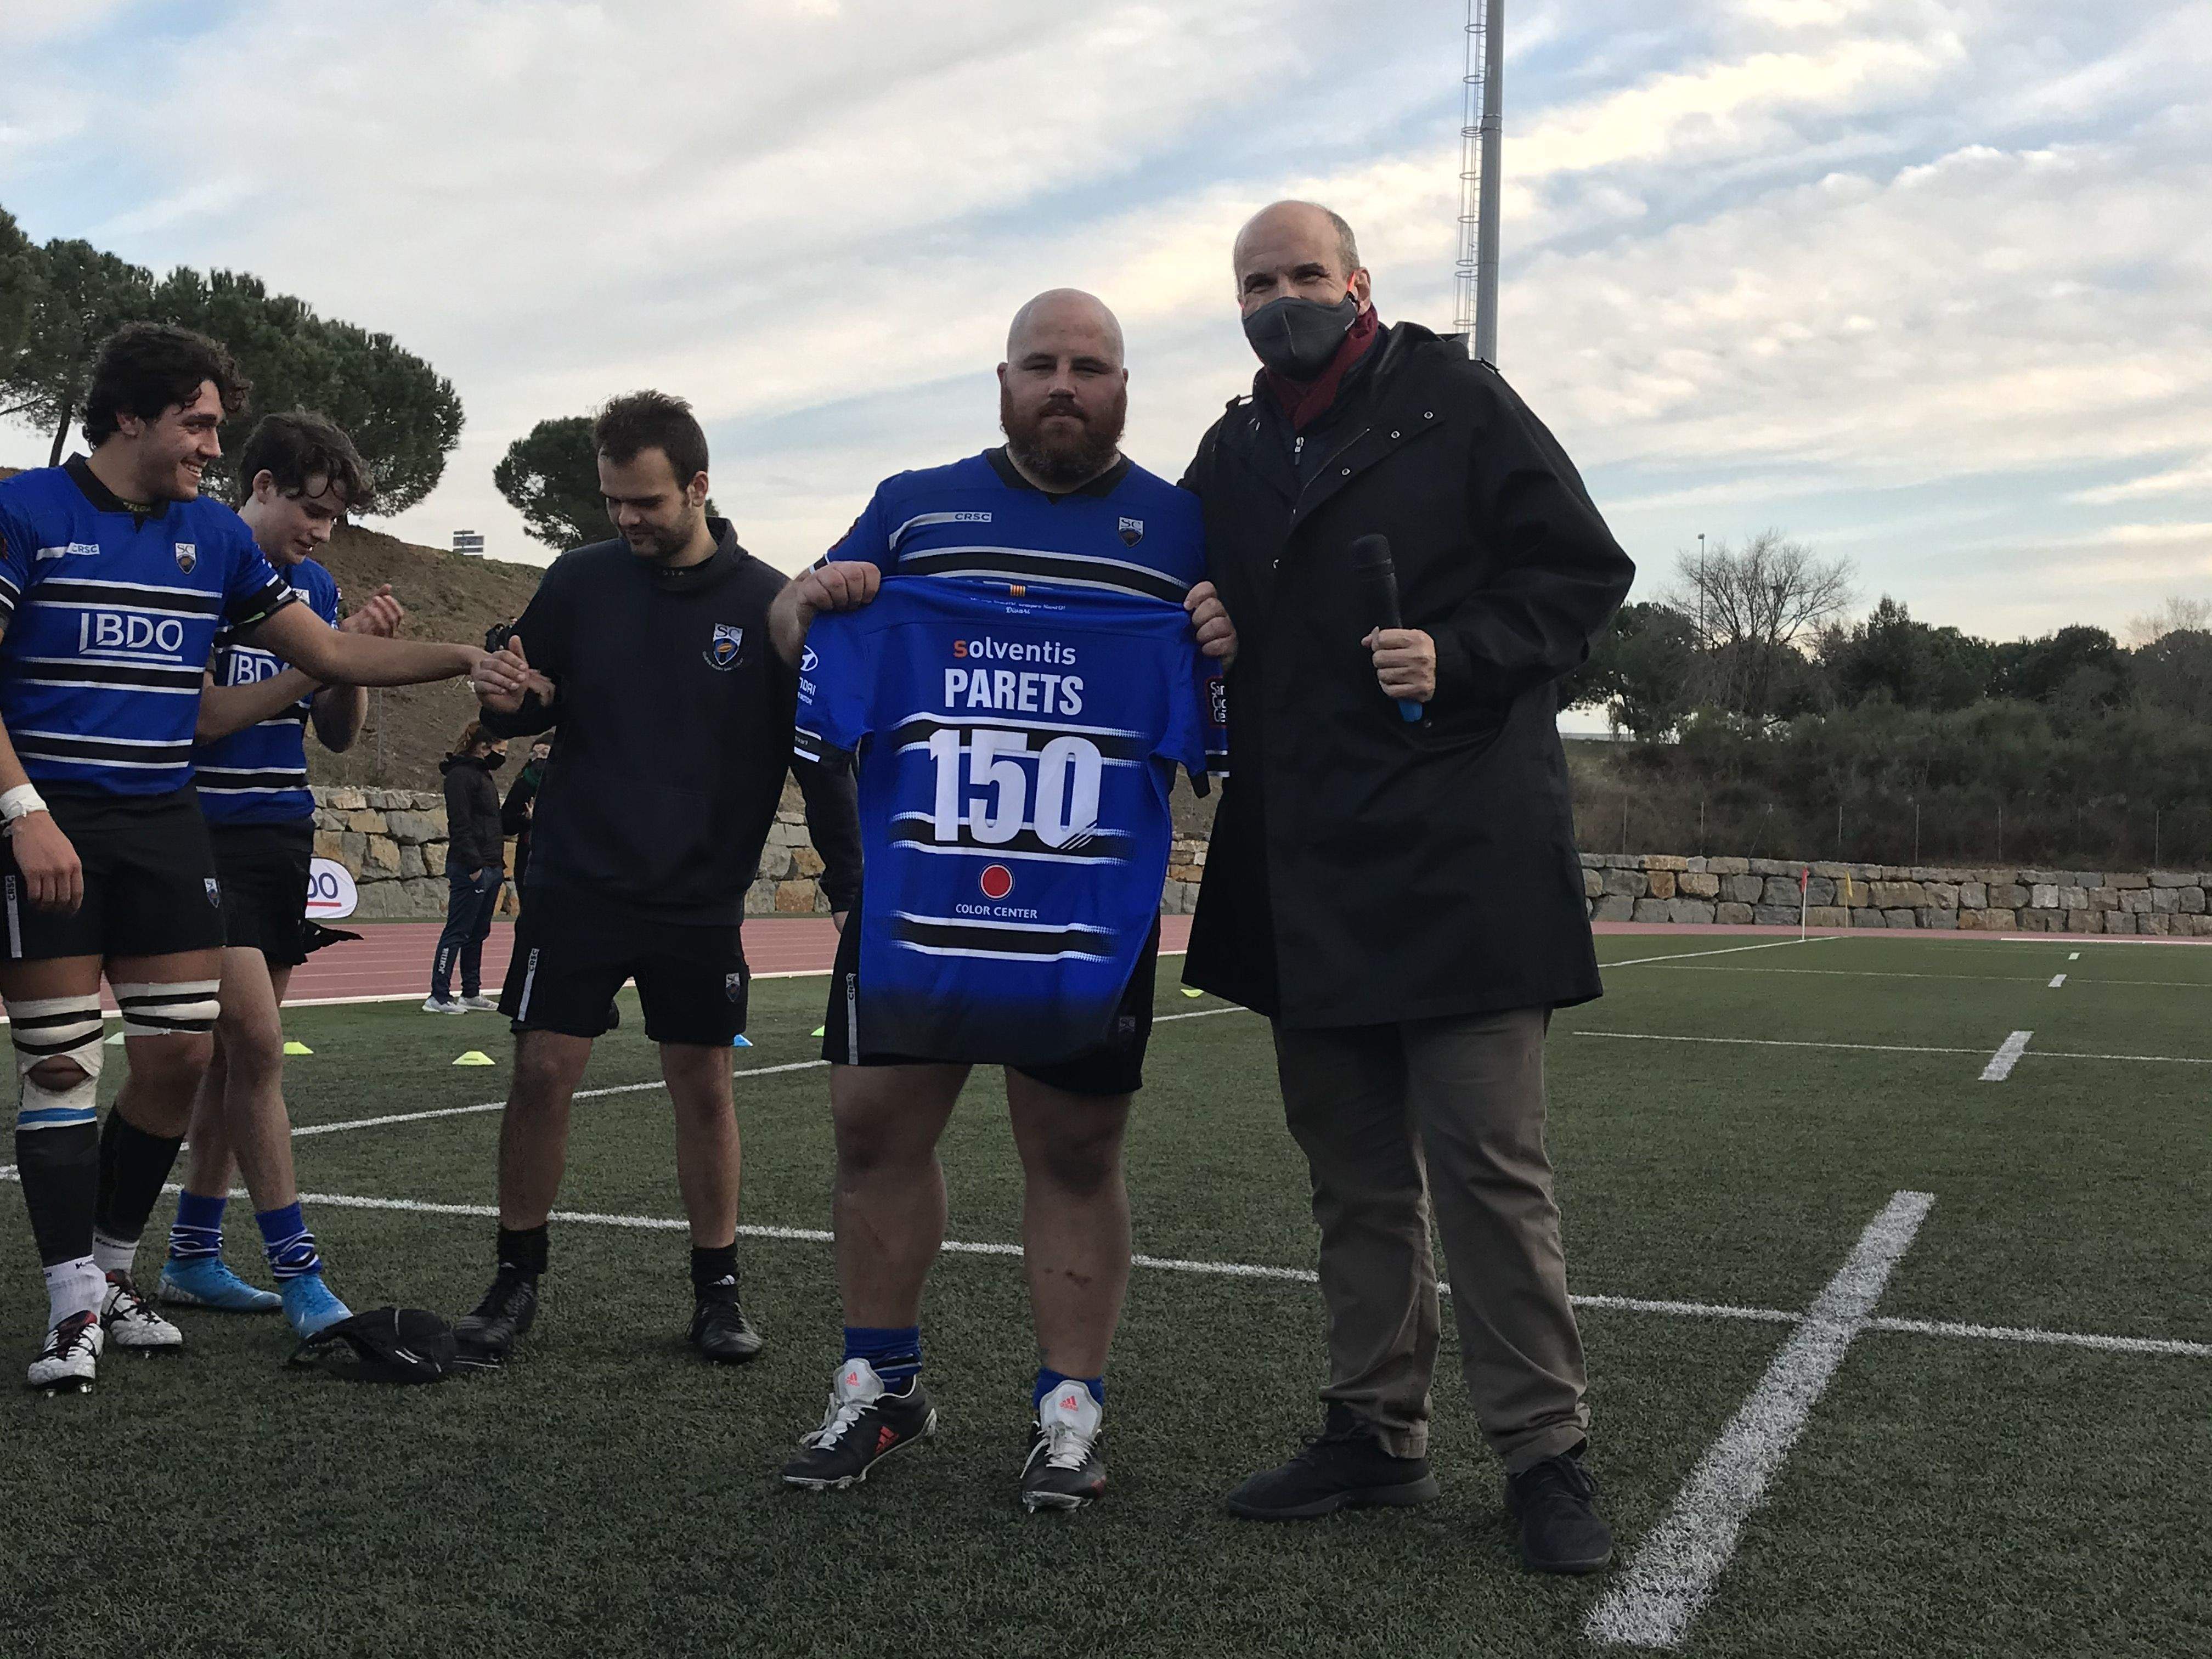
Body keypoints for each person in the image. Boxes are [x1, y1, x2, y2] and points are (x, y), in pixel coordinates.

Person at [1177, 202, 1635, 1572]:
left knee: (1491, 1174)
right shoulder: (1233, 448)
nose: (1280, 299)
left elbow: (1583, 573)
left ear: (1358, 282)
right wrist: (1204, 619)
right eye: (1256, 283)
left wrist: (1462, 650)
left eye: (1303, 275)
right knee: (1354, 1180)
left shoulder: (1459, 401)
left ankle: (1546, 1456)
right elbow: (1198, 591)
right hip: (1301, 860)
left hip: (1463, 858)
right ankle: (1374, 1433)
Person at [764, 290, 1234, 1511]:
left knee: (1076, 1151)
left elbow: (1233, 706)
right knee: (871, 1127)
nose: (1065, 384)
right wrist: (809, 606)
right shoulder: (915, 507)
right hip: (919, 890)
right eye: (1043, 364)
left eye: (1091, 366)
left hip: (1083, 905)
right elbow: (793, 633)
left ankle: (1069, 1408)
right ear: (1003, 380)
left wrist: (1231, 643)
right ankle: (883, 1384)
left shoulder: (1184, 529)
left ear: (1125, 386)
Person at [0, 322, 522, 1391]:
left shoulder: (215, 540)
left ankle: (112, 1274)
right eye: (196, 423)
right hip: (50, 825)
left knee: (183, 1060)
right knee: (60, 1063)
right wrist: (22, 812)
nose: (208, 446)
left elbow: (328, 656)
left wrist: (464, 658)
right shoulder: (23, 513)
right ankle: (68, 1310)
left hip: (165, 829)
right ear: (130, 415)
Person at [461, 390, 860, 1368]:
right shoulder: (579, 581)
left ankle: (717, 1289)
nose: (628, 519)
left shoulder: (768, 604)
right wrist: (506, 698)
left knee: (703, 1084)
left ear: (698, 486)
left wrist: (854, 883)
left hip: (696, 894)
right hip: (578, 878)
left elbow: (818, 760)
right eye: (613, 502)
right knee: (542, 1071)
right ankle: (515, 1277)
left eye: (645, 501)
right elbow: (520, 702)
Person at [159, 411, 402, 1336]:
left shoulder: (317, 585)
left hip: (278, 831)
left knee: (234, 1059)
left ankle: (191, 1249)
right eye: (310, 508)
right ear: (257, 485)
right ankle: (301, 1272)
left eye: (335, 517)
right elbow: (204, 718)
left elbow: (337, 731)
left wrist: (349, 660)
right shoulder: (204, 574)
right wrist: (321, 660)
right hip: (201, 832)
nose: (321, 530)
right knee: (257, 1047)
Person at [424, 722, 508, 1014]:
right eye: (500, 751)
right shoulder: (460, 776)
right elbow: (460, 824)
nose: (502, 757)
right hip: (471, 867)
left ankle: (471, 991)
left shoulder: (483, 776)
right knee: (457, 932)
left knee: (478, 933)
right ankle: (439, 994)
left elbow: (489, 823)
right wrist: (474, 867)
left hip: (491, 865)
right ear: (483, 747)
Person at [501, 736, 553, 893]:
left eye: (545, 754)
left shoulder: (571, 784)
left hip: (560, 860)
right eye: (535, 755)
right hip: (529, 858)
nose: (539, 760)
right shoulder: (523, 784)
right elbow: (505, 823)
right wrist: (525, 818)